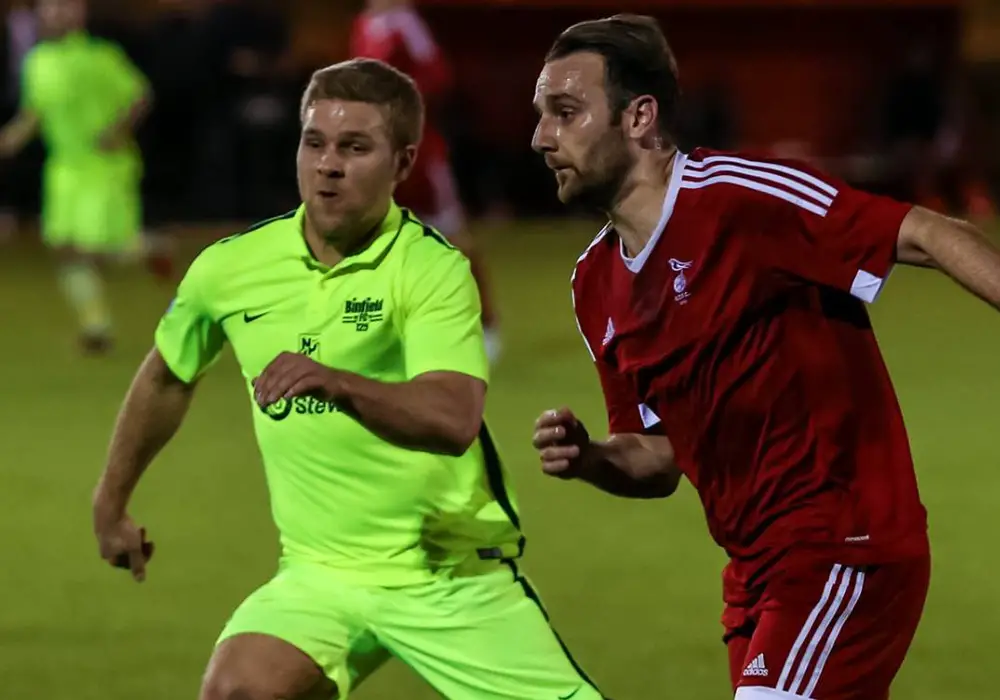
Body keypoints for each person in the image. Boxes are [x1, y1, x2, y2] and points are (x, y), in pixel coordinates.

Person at [92, 58, 602, 700]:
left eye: (355, 148)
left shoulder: (431, 269)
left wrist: (337, 383)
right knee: (238, 692)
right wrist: (111, 502)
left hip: (449, 575)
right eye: (315, 143)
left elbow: (452, 419)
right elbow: (168, 376)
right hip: (320, 575)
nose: (328, 165)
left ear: (402, 162)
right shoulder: (231, 268)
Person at [530, 14, 1000, 700]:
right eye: (541, 115)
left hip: (846, 546)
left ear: (639, 117)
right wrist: (592, 459)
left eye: (566, 112)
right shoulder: (593, 286)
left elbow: (924, 232)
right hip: (755, 576)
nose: (542, 137)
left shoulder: (739, 198)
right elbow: (657, 457)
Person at [350, 0, 501, 364]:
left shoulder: (405, 23)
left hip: (416, 153)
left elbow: (438, 76)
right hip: (375, 154)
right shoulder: (364, 25)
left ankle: (485, 324)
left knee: (452, 239)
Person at [0, 0, 153, 353]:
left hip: (105, 167)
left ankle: (153, 250)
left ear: (79, 14)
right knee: (65, 248)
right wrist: (9, 141)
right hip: (64, 169)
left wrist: (117, 131)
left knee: (100, 248)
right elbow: (33, 114)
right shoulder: (37, 61)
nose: (56, 15)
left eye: (64, 8)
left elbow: (140, 96)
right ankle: (96, 328)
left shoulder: (101, 56)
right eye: (50, 8)